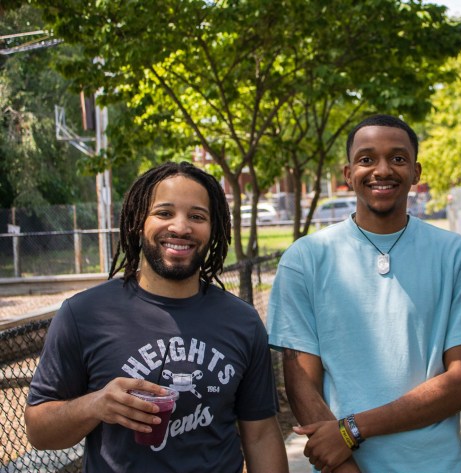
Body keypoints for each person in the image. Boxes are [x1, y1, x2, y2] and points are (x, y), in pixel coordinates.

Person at [25, 161, 288, 473]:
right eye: (164, 213)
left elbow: (260, 435)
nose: (180, 227)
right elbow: (38, 431)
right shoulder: (84, 315)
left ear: (212, 228)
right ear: (140, 222)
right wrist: (96, 404)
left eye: (197, 216)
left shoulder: (242, 321)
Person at [267, 114, 461, 473]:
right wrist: (346, 465)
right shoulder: (305, 259)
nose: (382, 170)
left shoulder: (456, 256)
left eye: (397, 158)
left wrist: (352, 429)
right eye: (367, 159)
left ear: (416, 173)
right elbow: (302, 382)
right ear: (347, 173)